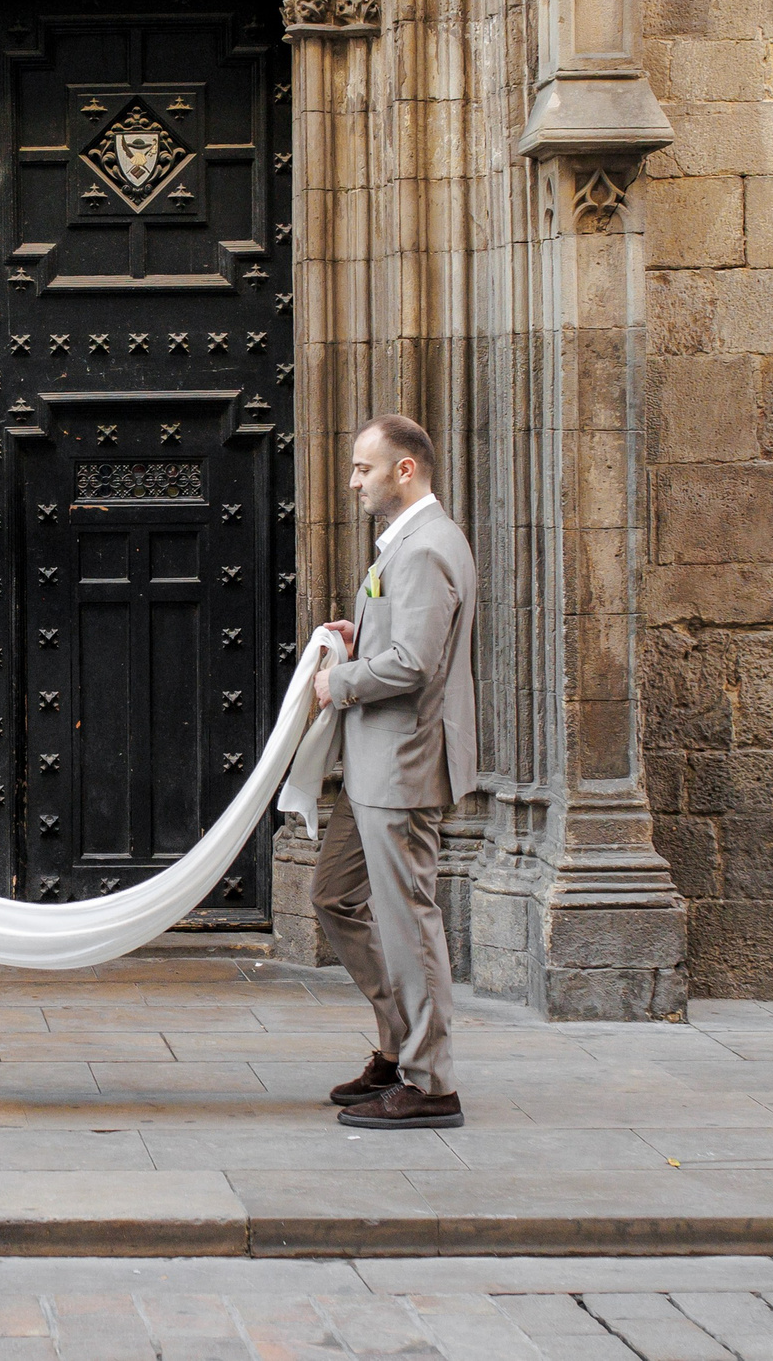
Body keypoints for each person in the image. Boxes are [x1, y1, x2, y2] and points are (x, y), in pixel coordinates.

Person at [308, 414, 477, 1130]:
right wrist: (358, 634)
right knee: (333, 897)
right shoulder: (407, 545)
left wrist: (338, 681)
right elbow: (402, 639)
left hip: (401, 764)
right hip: (372, 765)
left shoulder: (424, 548)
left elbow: (413, 664)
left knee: (408, 918)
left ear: (404, 469)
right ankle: (395, 1042)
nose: (352, 482)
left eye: (362, 468)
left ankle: (430, 1078)